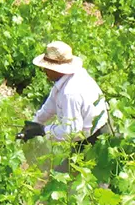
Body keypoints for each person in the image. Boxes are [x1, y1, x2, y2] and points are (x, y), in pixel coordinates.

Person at [16, 41, 112, 173]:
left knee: (95, 183)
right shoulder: (64, 81)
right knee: (63, 177)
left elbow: (71, 132)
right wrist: (33, 124)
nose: (44, 70)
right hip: (86, 136)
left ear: (57, 69)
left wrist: (43, 130)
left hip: (97, 138)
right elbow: (49, 107)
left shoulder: (70, 92)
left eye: (47, 67)